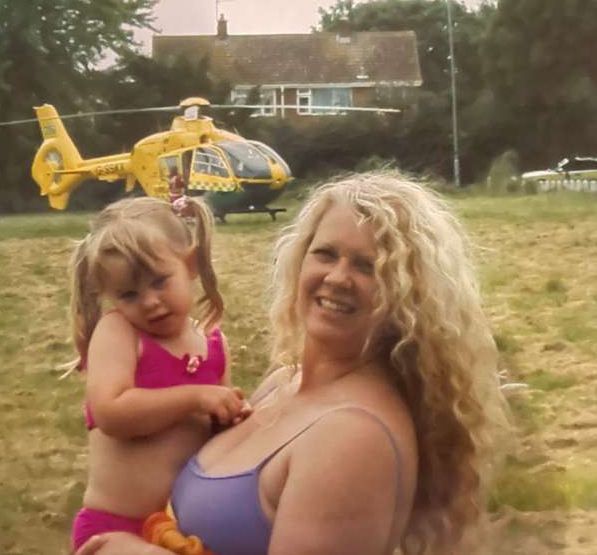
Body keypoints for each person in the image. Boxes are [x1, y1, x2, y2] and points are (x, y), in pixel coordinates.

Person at [75, 171, 509, 555]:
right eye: (325, 254)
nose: (337, 277)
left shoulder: (355, 437)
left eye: (368, 266)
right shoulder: (282, 384)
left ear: (408, 296)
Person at [68, 196, 249, 552]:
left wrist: (230, 418)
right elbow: (112, 413)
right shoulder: (119, 333)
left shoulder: (213, 344)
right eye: (129, 294)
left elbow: (215, 438)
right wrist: (196, 397)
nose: (149, 301)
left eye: (159, 282)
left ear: (190, 264)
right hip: (114, 531)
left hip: (178, 530)